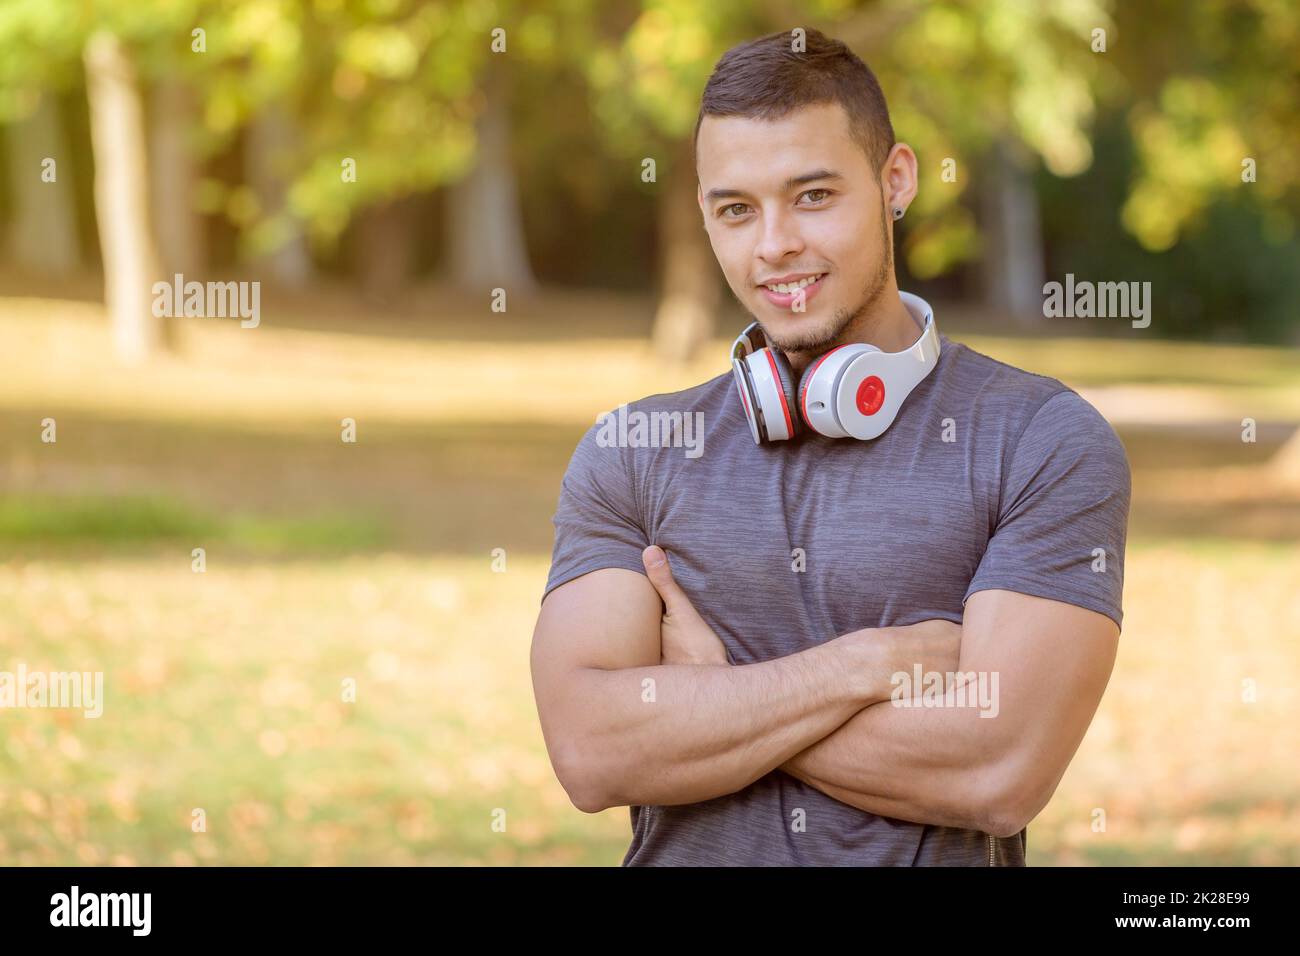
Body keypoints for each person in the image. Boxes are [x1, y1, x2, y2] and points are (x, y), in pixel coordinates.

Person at [530, 28, 1130, 866]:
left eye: (812, 195)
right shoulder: (634, 450)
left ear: (896, 181)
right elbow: (591, 752)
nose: (773, 243)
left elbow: (1000, 770)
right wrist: (867, 665)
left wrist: (708, 698)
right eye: (737, 209)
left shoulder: (1042, 442)